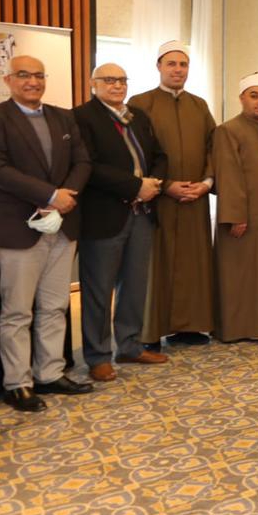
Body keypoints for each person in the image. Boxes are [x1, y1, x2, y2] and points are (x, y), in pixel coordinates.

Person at [0, 56, 92, 412]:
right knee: (17, 312)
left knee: (55, 307)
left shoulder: (63, 117)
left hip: (63, 226)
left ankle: (49, 373)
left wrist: (64, 197)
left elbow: (82, 162)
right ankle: (18, 384)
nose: (33, 81)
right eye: (24, 75)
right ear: (8, 80)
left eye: (39, 75)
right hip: (18, 228)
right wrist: (50, 195)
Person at [74, 63, 169, 382]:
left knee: (134, 285)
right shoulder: (82, 117)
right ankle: (98, 356)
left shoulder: (137, 116)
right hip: (104, 215)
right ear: (93, 83)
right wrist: (135, 186)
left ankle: (129, 345)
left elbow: (160, 155)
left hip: (142, 214)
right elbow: (89, 166)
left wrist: (154, 183)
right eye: (109, 80)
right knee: (99, 290)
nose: (117, 85)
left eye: (122, 80)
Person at [129, 40, 217, 347]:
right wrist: (165, 186)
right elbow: (135, 152)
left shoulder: (199, 105)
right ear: (159, 67)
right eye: (171, 64)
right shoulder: (141, 103)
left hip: (195, 198)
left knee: (194, 263)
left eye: (183, 64)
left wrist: (206, 182)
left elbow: (213, 147)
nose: (178, 70)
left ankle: (190, 326)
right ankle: (150, 332)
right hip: (156, 200)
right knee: (155, 265)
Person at [212, 73, 258, 341]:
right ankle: (239, 328)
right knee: (241, 273)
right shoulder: (228, 130)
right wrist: (236, 216)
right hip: (242, 216)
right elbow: (227, 175)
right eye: (254, 96)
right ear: (242, 98)